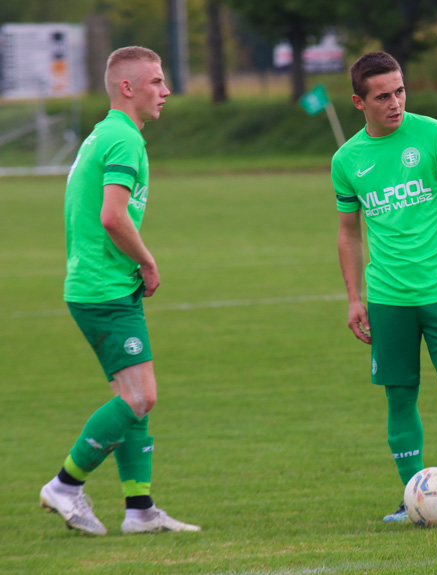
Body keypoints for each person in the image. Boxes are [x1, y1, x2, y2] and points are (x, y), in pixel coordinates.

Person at [39, 46, 200, 535]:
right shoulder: (124, 139)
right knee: (140, 397)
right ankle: (65, 485)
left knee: (133, 396)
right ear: (127, 88)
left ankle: (140, 509)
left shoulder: (101, 136)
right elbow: (113, 216)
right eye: (155, 81)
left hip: (100, 285)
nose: (165, 91)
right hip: (104, 289)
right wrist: (147, 261)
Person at [332, 52, 437, 523]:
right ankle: (412, 499)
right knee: (399, 396)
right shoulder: (348, 160)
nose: (395, 103)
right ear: (359, 101)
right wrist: (354, 298)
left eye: (400, 91)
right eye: (383, 96)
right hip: (387, 299)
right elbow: (347, 232)